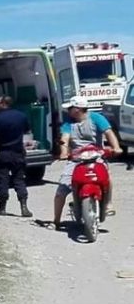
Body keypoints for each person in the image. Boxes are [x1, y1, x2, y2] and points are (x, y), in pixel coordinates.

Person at [53, 95, 123, 230]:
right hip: (75, 158)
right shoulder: (68, 123)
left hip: (96, 155)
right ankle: (56, 220)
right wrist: (63, 152)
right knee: (61, 190)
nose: (68, 110)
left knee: (106, 177)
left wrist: (116, 147)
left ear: (78, 109)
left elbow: (109, 133)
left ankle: (108, 203)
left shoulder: (96, 118)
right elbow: (65, 139)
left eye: (70, 108)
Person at [0, 96, 33, 217]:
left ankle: (2, 207)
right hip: (18, 153)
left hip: (3, 154)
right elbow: (28, 132)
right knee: (19, 179)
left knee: (2, 180)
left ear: (3, 104)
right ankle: (24, 207)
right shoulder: (21, 116)